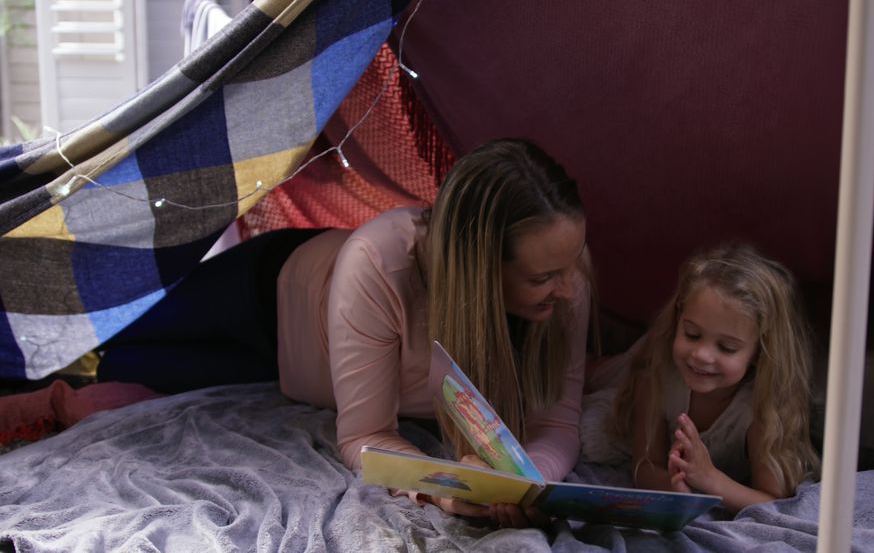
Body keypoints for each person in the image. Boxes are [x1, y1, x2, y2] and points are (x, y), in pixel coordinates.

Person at [97, 138, 593, 527]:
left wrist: (524, 484)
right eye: (543, 278)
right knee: (105, 335)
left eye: (570, 266)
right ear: (479, 273)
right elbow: (366, 435)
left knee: (119, 372)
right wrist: (444, 484)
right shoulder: (380, 263)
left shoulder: (566, 270)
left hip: (280, 369)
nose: (569, 289)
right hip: (266, 297)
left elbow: (557, 425)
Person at [607, 244, 819, 513]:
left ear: (759, 352)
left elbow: (774, 502)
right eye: (692, 334)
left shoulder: (760, 409)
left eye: (727, 348)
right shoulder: (656, 380)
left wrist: (710, 480)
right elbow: (644, 465)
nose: (702, 355)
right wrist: (674, 487)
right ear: (677, 321)